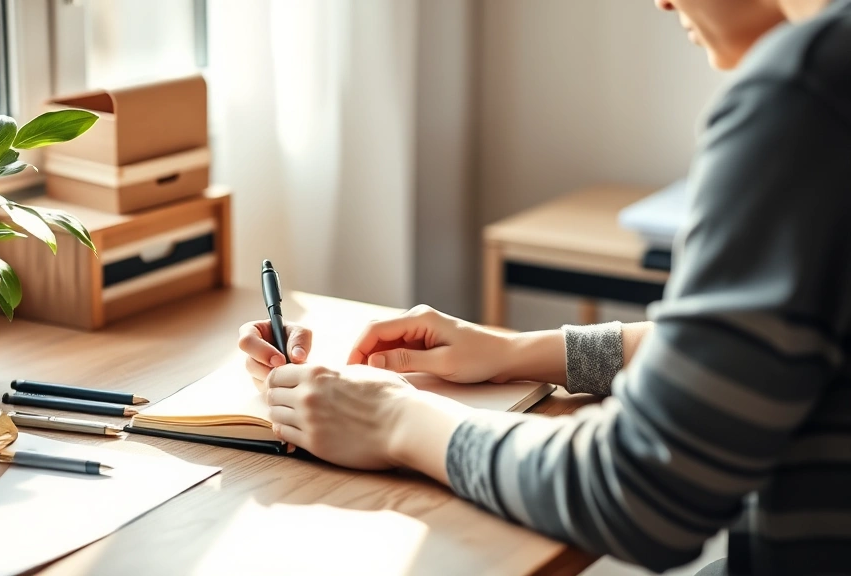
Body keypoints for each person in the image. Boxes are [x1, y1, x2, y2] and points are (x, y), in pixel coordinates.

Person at [237, 0, 851, 574]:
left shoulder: (805, 94)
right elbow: (757, 346)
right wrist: (520, 352)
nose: (662, 2)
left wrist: (394, 419)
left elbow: (641, 491)